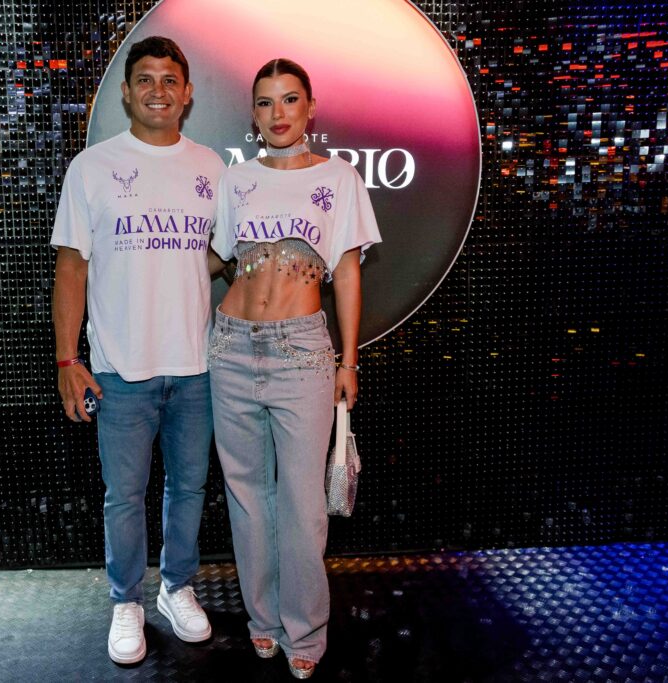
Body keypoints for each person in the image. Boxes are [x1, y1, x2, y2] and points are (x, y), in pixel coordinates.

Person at [50, 36, 225, 665]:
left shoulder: (212, 168)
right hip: (119, 369)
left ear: (187, 93)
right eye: (145, 79)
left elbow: (217, 254)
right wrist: (68, 361)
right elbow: (71, 268)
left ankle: (176, 589)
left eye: (169, 79)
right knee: (124, 495)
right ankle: (126, 600)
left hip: (197, 366)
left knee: (190, 487)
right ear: (126, 92)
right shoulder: (91, 167)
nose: (158, 90)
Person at [208, 58, 381, 679]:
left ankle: (305, 627)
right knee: (247, 497)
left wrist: (349, 360)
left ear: (310, 107)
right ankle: (263, 621)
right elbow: (214, 260)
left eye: (288, 100)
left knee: (303, 504)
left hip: (303, 352)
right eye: (264, 102)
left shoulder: (339, 179)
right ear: (253, 114)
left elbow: (349, 274)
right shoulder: (235, 180)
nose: (277, 113)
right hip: (230, 347)